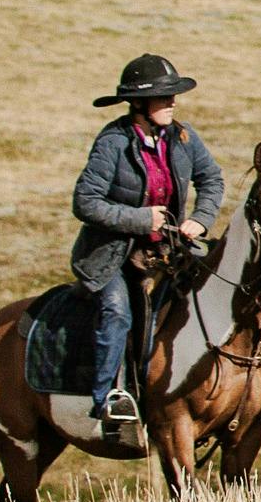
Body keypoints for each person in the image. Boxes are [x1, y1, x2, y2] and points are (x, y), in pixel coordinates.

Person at [69, 54, 225, 432]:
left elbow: (212, 179)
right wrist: (141, 219)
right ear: (138, 104)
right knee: (118, 312)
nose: (172, 102)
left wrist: (200, 219)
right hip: (113, 257)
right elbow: (85, 202)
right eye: (163, 96)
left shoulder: (183, 137)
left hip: (169, 252)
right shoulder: (112, 142)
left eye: (173, 95)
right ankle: (108, 398)